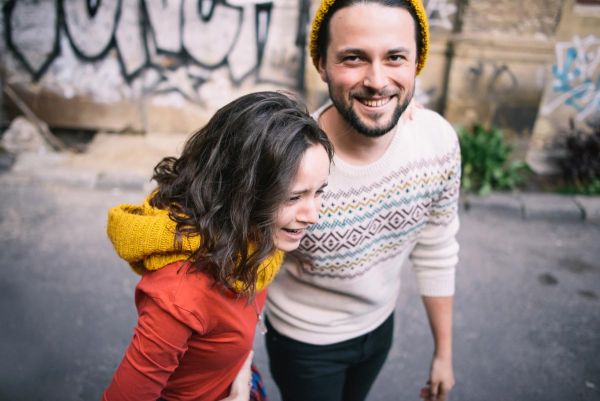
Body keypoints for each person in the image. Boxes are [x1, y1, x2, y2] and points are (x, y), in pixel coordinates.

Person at [264, 1, 460, 401]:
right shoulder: (290, 160)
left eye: (395, 58)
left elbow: (437, 247)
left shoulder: (437, 142)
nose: (377, 80)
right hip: (305, 342)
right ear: (322, 64)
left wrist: (444, 353)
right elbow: (242, 267)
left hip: (379, 328)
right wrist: (234, 362)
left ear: (416, 61)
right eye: (353, 58)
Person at [102, 91, 333, 401]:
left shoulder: (251, 237)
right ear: (240, 190)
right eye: (293, 198)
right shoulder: (180, 296)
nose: (313, 215)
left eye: (319, 192)